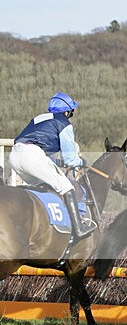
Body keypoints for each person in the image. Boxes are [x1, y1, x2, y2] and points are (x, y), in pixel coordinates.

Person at [9, 92, 96, 240]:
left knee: (42, 189)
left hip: (15, 157)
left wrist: (59, 163)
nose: (70, 116)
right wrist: (82, 162)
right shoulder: (64, 124)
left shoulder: (38, 119)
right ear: (67, 112)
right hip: (32, 157)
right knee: (67, 187)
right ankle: (79, 228)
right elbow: (70, 159)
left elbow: (41, 156)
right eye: (71, 113)